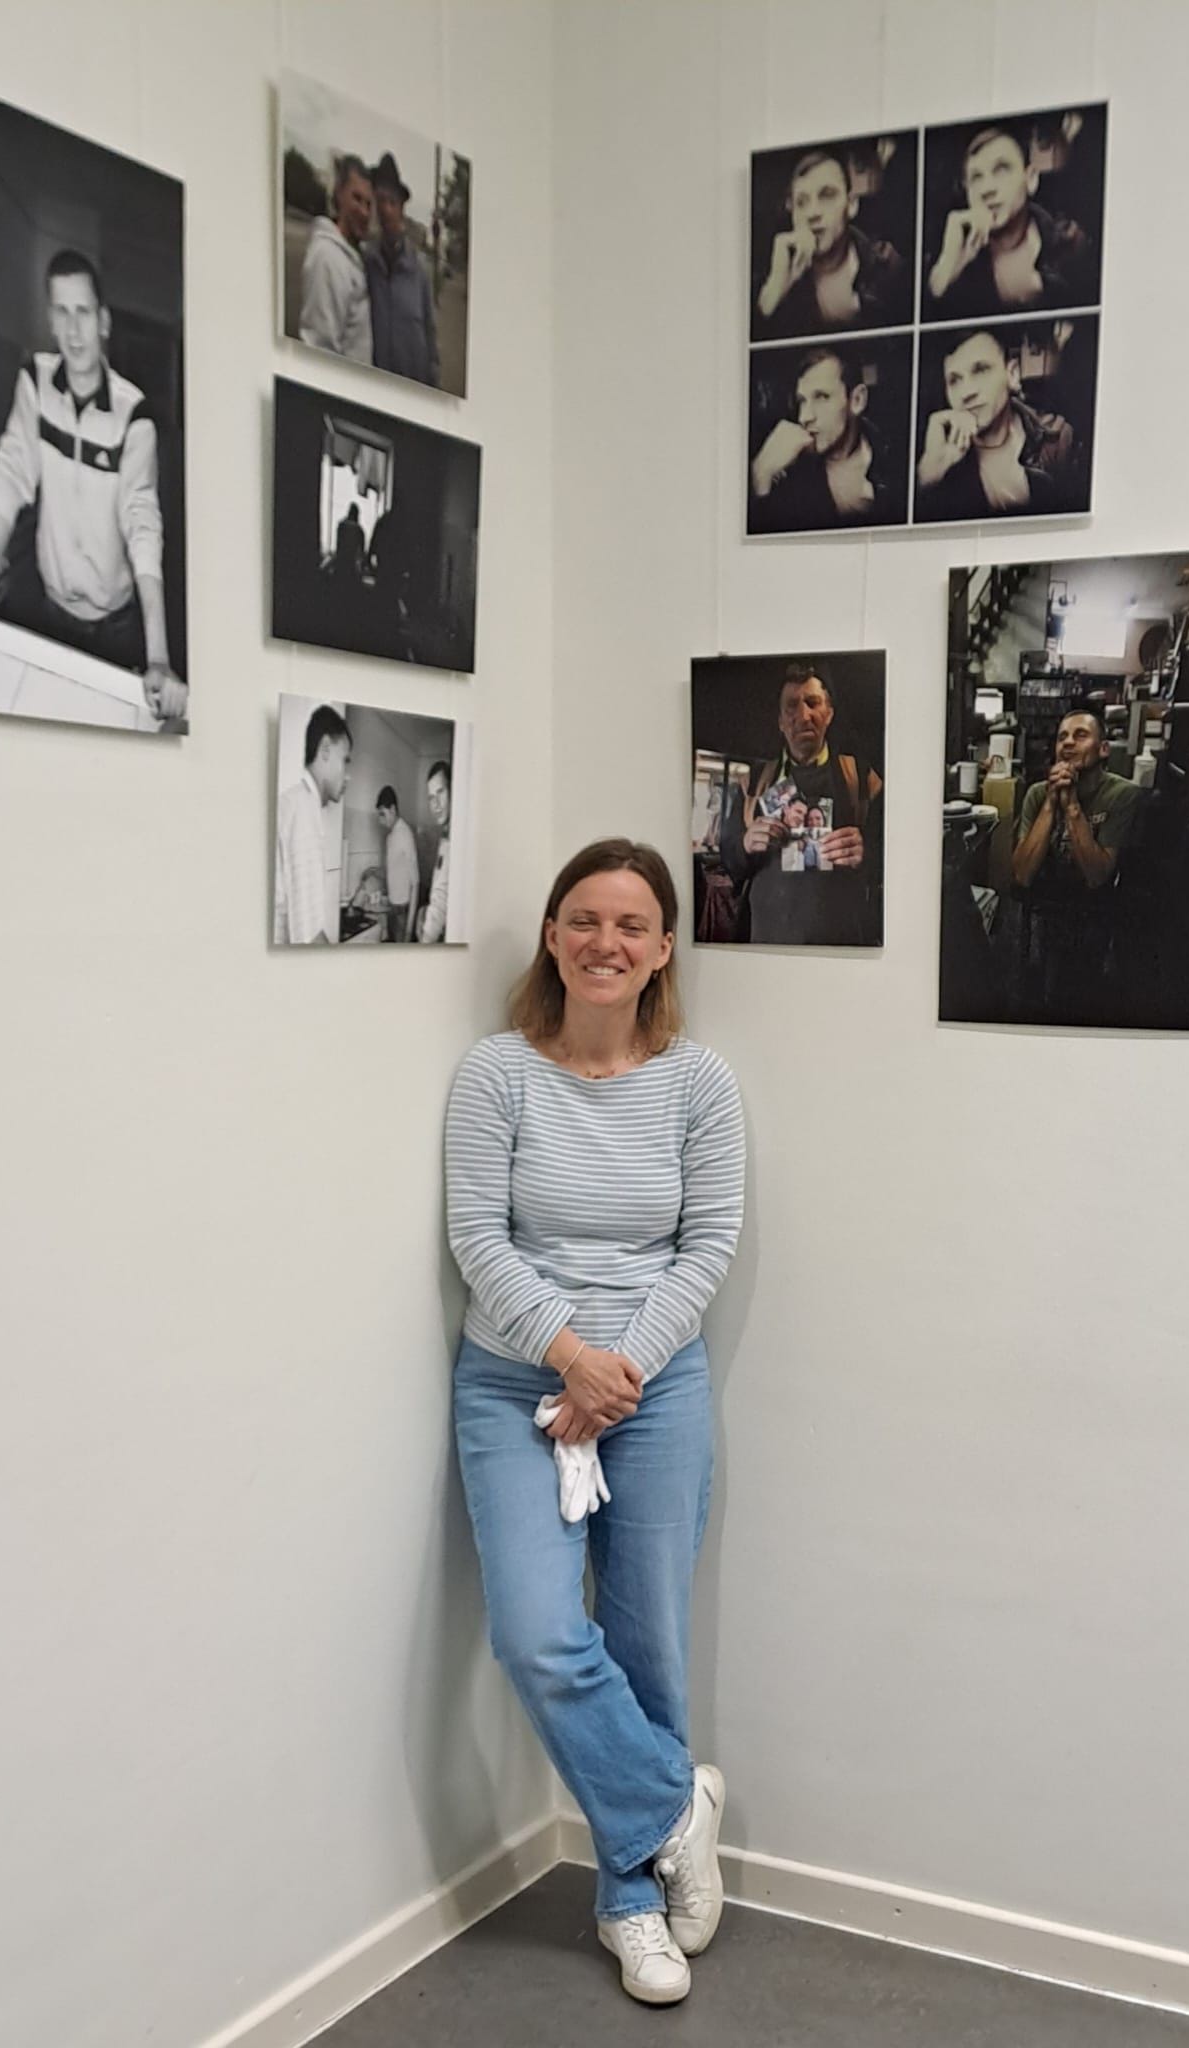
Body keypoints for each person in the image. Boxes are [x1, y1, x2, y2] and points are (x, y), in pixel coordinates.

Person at [445, 839, 745, 2007]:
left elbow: (705, 1243)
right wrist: (573, 1356)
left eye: (630, 924)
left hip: (657, 1383)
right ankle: (677, 1806)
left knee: (647, 1636)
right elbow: (479, 1236)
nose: (604, 942)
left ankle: (630, 1900)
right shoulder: (496, 1075)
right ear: (553, 937)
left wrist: (621, 1371)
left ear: (663, 947)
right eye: (583, 918)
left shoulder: (699, 1083)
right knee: (534, 1631)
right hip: (515, 1378)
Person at [0, 249, 185, 726]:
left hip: (116, 626)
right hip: (48, 611)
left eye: (84, 312)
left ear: (105, 321)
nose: (74, 330)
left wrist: (158, 656)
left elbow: (143, 527)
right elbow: (10, 473)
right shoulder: (33, 383)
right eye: (62, 312)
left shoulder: (134, 417)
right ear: (50, 319)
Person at [719, 662, 883, 945]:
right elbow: (728, 859)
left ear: (828, 713)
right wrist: (744, 844)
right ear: (781, 721)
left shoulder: (861, 778)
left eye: (812, 702)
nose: (804, 715)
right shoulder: (754, 783)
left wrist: (867, 851)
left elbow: (895, 857)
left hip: (840, 949)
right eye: (792, 706)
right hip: (765, 946)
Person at [1010, 709, 1142, 1021]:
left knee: (1085, 1000)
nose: (1068, 743)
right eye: (1062, 737)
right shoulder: (1036, 794)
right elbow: (1021, 875)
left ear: (1104, 749)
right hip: (1045, 907)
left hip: (1097, 910)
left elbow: (1098, 876)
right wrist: (1051, 803)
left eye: (1080, 735)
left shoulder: (1123, 795)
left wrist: (1070, 805)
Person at [927, 122, 1096, 319]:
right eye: (976, 178)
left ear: (1031, 179)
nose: (987, 189)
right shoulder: (956, 253)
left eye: (1001, 170)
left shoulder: (1068, 243)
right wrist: (947, 269)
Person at [914, 326, 1082, 522]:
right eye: (954, 380)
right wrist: (927, 475)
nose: (967, 392)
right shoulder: (940, 451)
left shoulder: (1057, 437)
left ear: (1012, 374)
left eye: (981, 370)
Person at [748, 346, 902, 533]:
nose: (804, 417)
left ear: (857, 400)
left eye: (821, 397)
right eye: (802, 401)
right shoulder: (790, 472)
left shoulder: (897, 459)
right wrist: (760, 474)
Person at [754, 147, 905, 338]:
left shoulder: (885, 264)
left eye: (826, 196)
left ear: (851, 205)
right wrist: (774, 291)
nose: (812, 213)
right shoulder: (775, 273)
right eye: (801, 202)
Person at [275, 705, 351, 945]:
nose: (348, 775)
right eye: (345, 760)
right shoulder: (304, 813)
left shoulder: (295, 802)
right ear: (325, 749)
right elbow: (308, 940)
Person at [365, 153, 438, 386]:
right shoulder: (366, 263)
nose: (385, 210)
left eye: (392, 202)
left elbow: (430, 333)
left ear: (401, 208)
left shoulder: (419, 271)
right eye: (380, 201)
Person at [298, 154, 373, 364]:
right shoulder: (327, 258)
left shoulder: (353, 255)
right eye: (356, 199)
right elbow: (320, 349)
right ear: (339, 195)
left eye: (369, 204)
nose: (365, 212)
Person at [375, 786, 419, 942]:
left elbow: (415, 883)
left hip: (403, 913)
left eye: (383, 814)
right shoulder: (390, 837)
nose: (380, 821)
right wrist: (371, 872)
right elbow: (393, 871)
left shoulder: (405, 834)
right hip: (392, 909)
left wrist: (409, 928)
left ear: (393, 809)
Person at [416, 759, 452, 943]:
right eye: (431, 798)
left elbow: (442, 897)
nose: (436, 804)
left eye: (441, 792)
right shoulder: (446, 836)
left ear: (453, 792)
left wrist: (427, 937)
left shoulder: (456, 840)